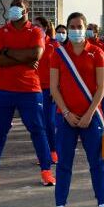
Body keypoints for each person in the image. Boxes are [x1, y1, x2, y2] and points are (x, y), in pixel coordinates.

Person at [0, 0, 55, 188]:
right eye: (12, 6)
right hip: (3, 90)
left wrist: (7, 52)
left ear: (26, 10)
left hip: (30, 90)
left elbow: (35, 55)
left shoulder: (36, 31)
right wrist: (21, 56)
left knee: (37, 130)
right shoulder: (1, 32)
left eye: (18, 7)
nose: (14, 10)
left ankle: (46, 171)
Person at [48, 12, 104, 207]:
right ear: (67, 28)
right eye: (72, 26)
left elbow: (101, 87)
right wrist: (66, 112)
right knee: (64, 165)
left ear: (86, 28)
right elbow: (54, 88)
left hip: (91, 118)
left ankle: (102, 206)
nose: (76, 30)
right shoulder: (58, 54)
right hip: (66, 118)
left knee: (97, 163)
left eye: (79, 26)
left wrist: (89, 114)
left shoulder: (97, 52)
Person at [33, 16, 59, 164]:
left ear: (45, 28)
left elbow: (62, 69)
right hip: (34, 89)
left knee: (49, 122)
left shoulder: (54, 45)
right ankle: (43, 153)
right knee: (38, 124)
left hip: (50, 89)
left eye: (38, 25)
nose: (35, 28)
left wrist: (58, 90)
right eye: (33, 25)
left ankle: (54, 151)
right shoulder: (31, 44)